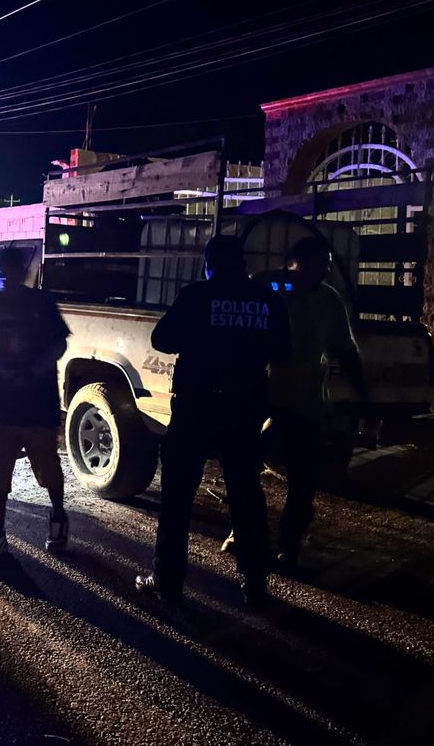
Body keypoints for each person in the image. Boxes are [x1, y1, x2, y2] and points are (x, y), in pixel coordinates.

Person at [135, 235, 291, 610]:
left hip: (196, 408)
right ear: (243, 263)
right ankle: (254, 585)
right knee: (246, 496)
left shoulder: (196, 296)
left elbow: (162, 338)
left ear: (209, 264)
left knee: (177, 498)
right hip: (245, 410)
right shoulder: (267, 300)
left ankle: (168, 581)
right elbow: (283, 349)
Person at [263, 236, 366, 568]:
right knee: (244, 468)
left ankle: (289, 543)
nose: (322, 271)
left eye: (326, 265)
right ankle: (245, 532)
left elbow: (344, 350)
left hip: (306, 401)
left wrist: (363, 393)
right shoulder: (271, 290)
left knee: (303, 478)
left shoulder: (329, 299)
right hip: (264, 397)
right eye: (315, 264)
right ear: (293, 264)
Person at [0, 244, 71, 560]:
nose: (5, 276)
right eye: (1, 271)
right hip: (5, 401)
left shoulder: (41, 302)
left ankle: (58, 517)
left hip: (39, 402)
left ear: (22, 273)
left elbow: (60, 343)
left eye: (10, 270)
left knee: (47, 467)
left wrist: (37, 368)